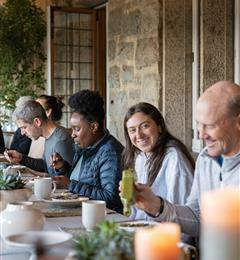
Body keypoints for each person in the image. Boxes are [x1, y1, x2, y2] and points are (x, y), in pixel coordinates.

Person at [129, 81, 240, 239]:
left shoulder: (174, 155)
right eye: (199, 125)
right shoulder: (205, 158)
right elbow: (196, 218)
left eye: (210, 125)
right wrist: (157, 206)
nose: (201, 135)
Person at [51, 89, 123, 212]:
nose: (72, 134)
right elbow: (85, 179)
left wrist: (69, 185)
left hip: (102, 219)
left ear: (94, 126)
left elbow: (112, 198)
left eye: (77, 129)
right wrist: (63, 167)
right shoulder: (84, 147)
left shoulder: (110, 152)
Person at [122, 102, 194, 221]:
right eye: (132, 130)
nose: (138, 135)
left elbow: (183, 211)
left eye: (145, 126)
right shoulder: (140, 157)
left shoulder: (174, 157)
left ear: (159, 126)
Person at [4, 100, 73, 176]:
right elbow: (45, 165)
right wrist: (21, 158)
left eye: (24, 127)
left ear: (37, 122)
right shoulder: (49, 136)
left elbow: (68, 179)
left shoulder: (60, 141)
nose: (22, 133)